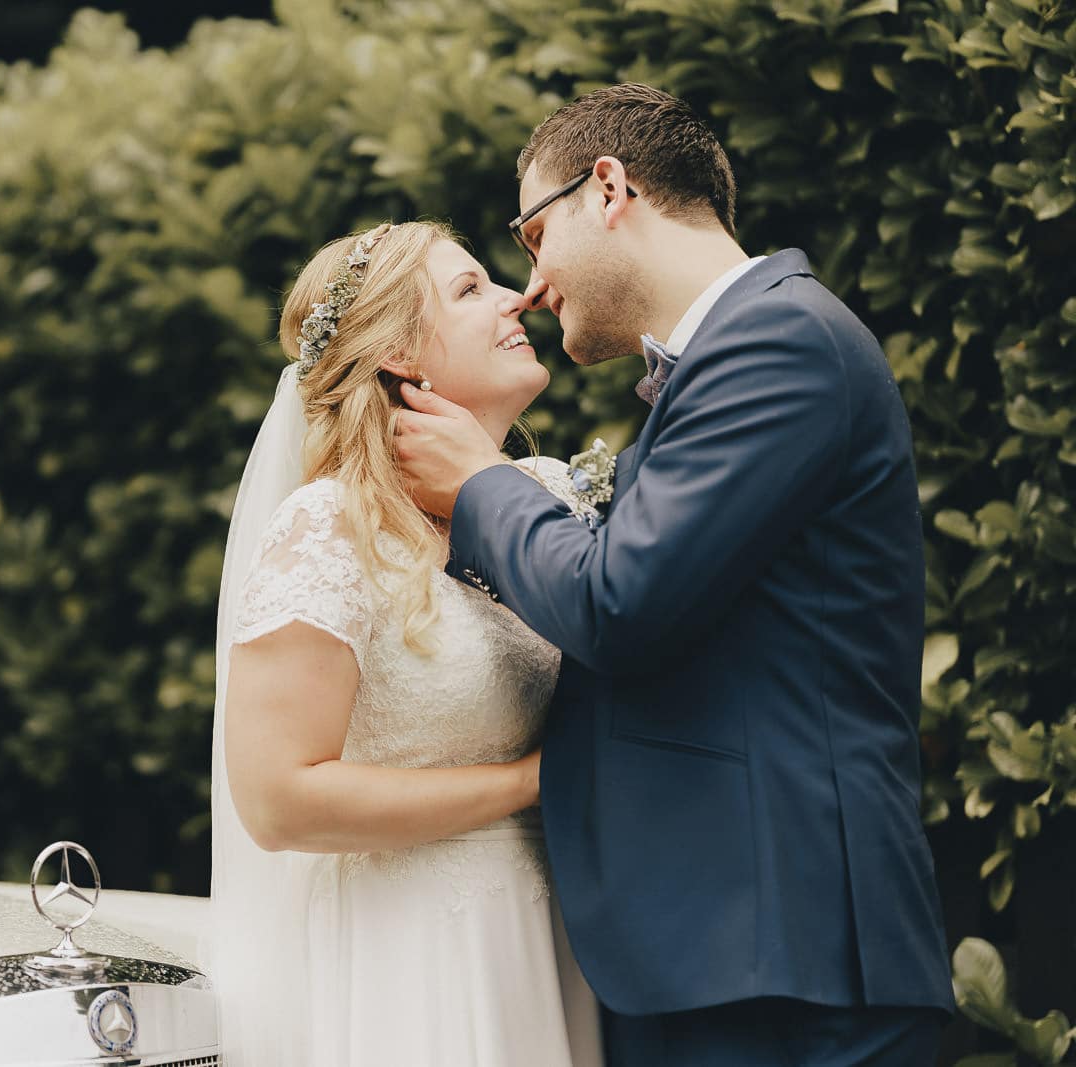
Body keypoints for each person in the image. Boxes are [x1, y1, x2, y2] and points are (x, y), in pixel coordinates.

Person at [392, 84, 955, 1065]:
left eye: (534, 236)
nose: (531, 286)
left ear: (608, 188)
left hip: (788, 960)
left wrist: (481, 482)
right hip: (728, 949)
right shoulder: (731, 357)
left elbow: (617, 601)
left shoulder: (778, 340)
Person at [209, 220, 604, 1065]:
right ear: (399, 355)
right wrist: (531, 781)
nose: (516, 297)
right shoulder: (330, 529)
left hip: (561, 942)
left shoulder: (547, 499)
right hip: (420, 956)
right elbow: (278, 800)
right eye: (470, 289)